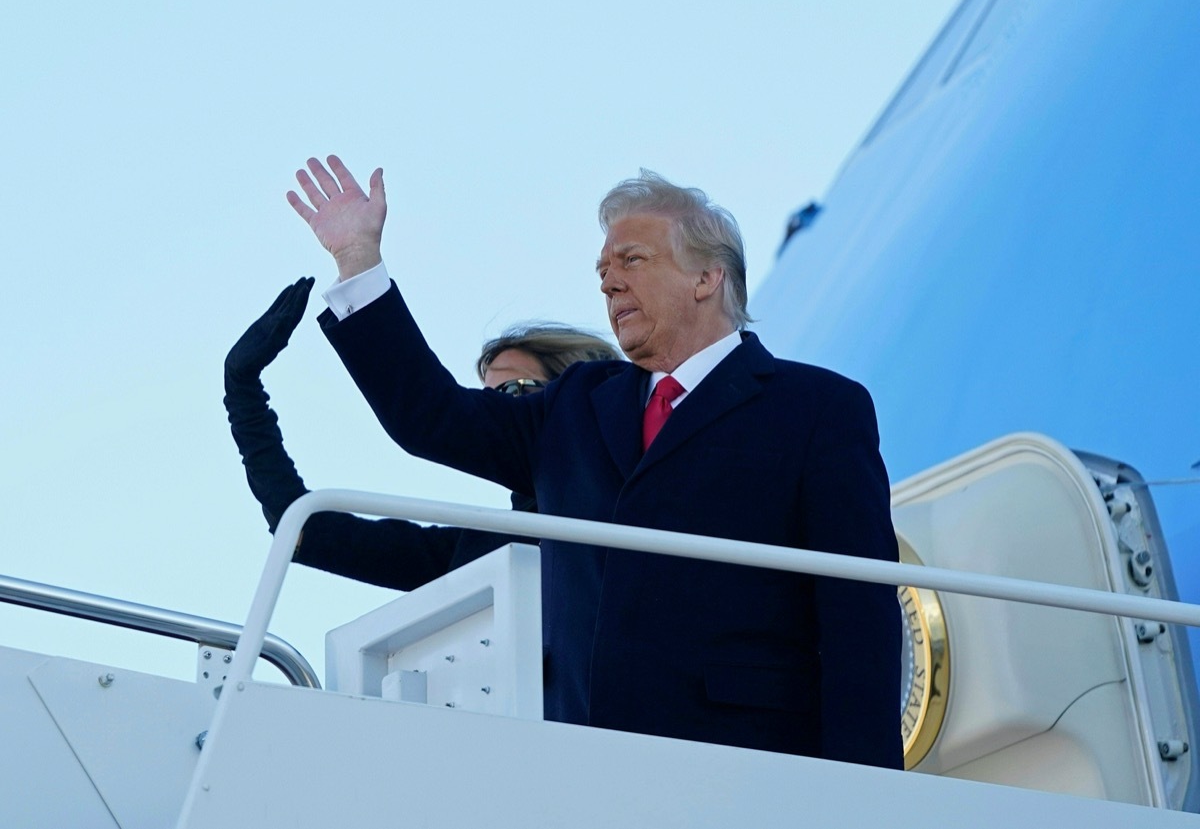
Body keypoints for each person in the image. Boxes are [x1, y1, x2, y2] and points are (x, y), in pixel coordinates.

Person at [286, 155, 902, 768]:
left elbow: (859, 617)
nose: (609, 282)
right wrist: (358, 262)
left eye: (631, 260)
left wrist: (872, 795)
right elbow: (432, 418)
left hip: (747, 768)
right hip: (584, 768)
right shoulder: (575, 404)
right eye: (603, 269)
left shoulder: (818, 407)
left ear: (707, 276)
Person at [223, 274, 619, 590]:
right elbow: (301, 526)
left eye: (514, 391)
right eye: (487, 398)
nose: (499, 409)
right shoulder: (479, 550)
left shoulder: (635, 491)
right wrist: (242, 392)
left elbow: (428, 411)